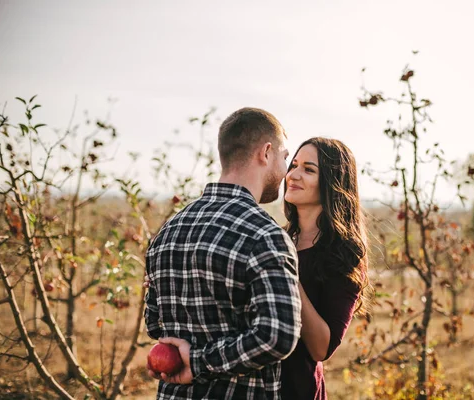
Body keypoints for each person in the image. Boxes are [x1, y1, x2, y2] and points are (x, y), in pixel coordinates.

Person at [144, 107, 302, 399]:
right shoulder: (265, 234)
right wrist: (201, 362)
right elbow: (277, 336)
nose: (286, 170)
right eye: (284, 157)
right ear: (266, 153)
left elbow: (155, 324)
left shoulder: (167, 231)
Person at [280, 137, 372, 400]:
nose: (293, 175)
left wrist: (289, 277)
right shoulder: (276, 239)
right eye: (294, 165)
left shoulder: (344, 254)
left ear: (333, 183)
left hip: (296, 390)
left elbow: (321, 348)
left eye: (309, 170)